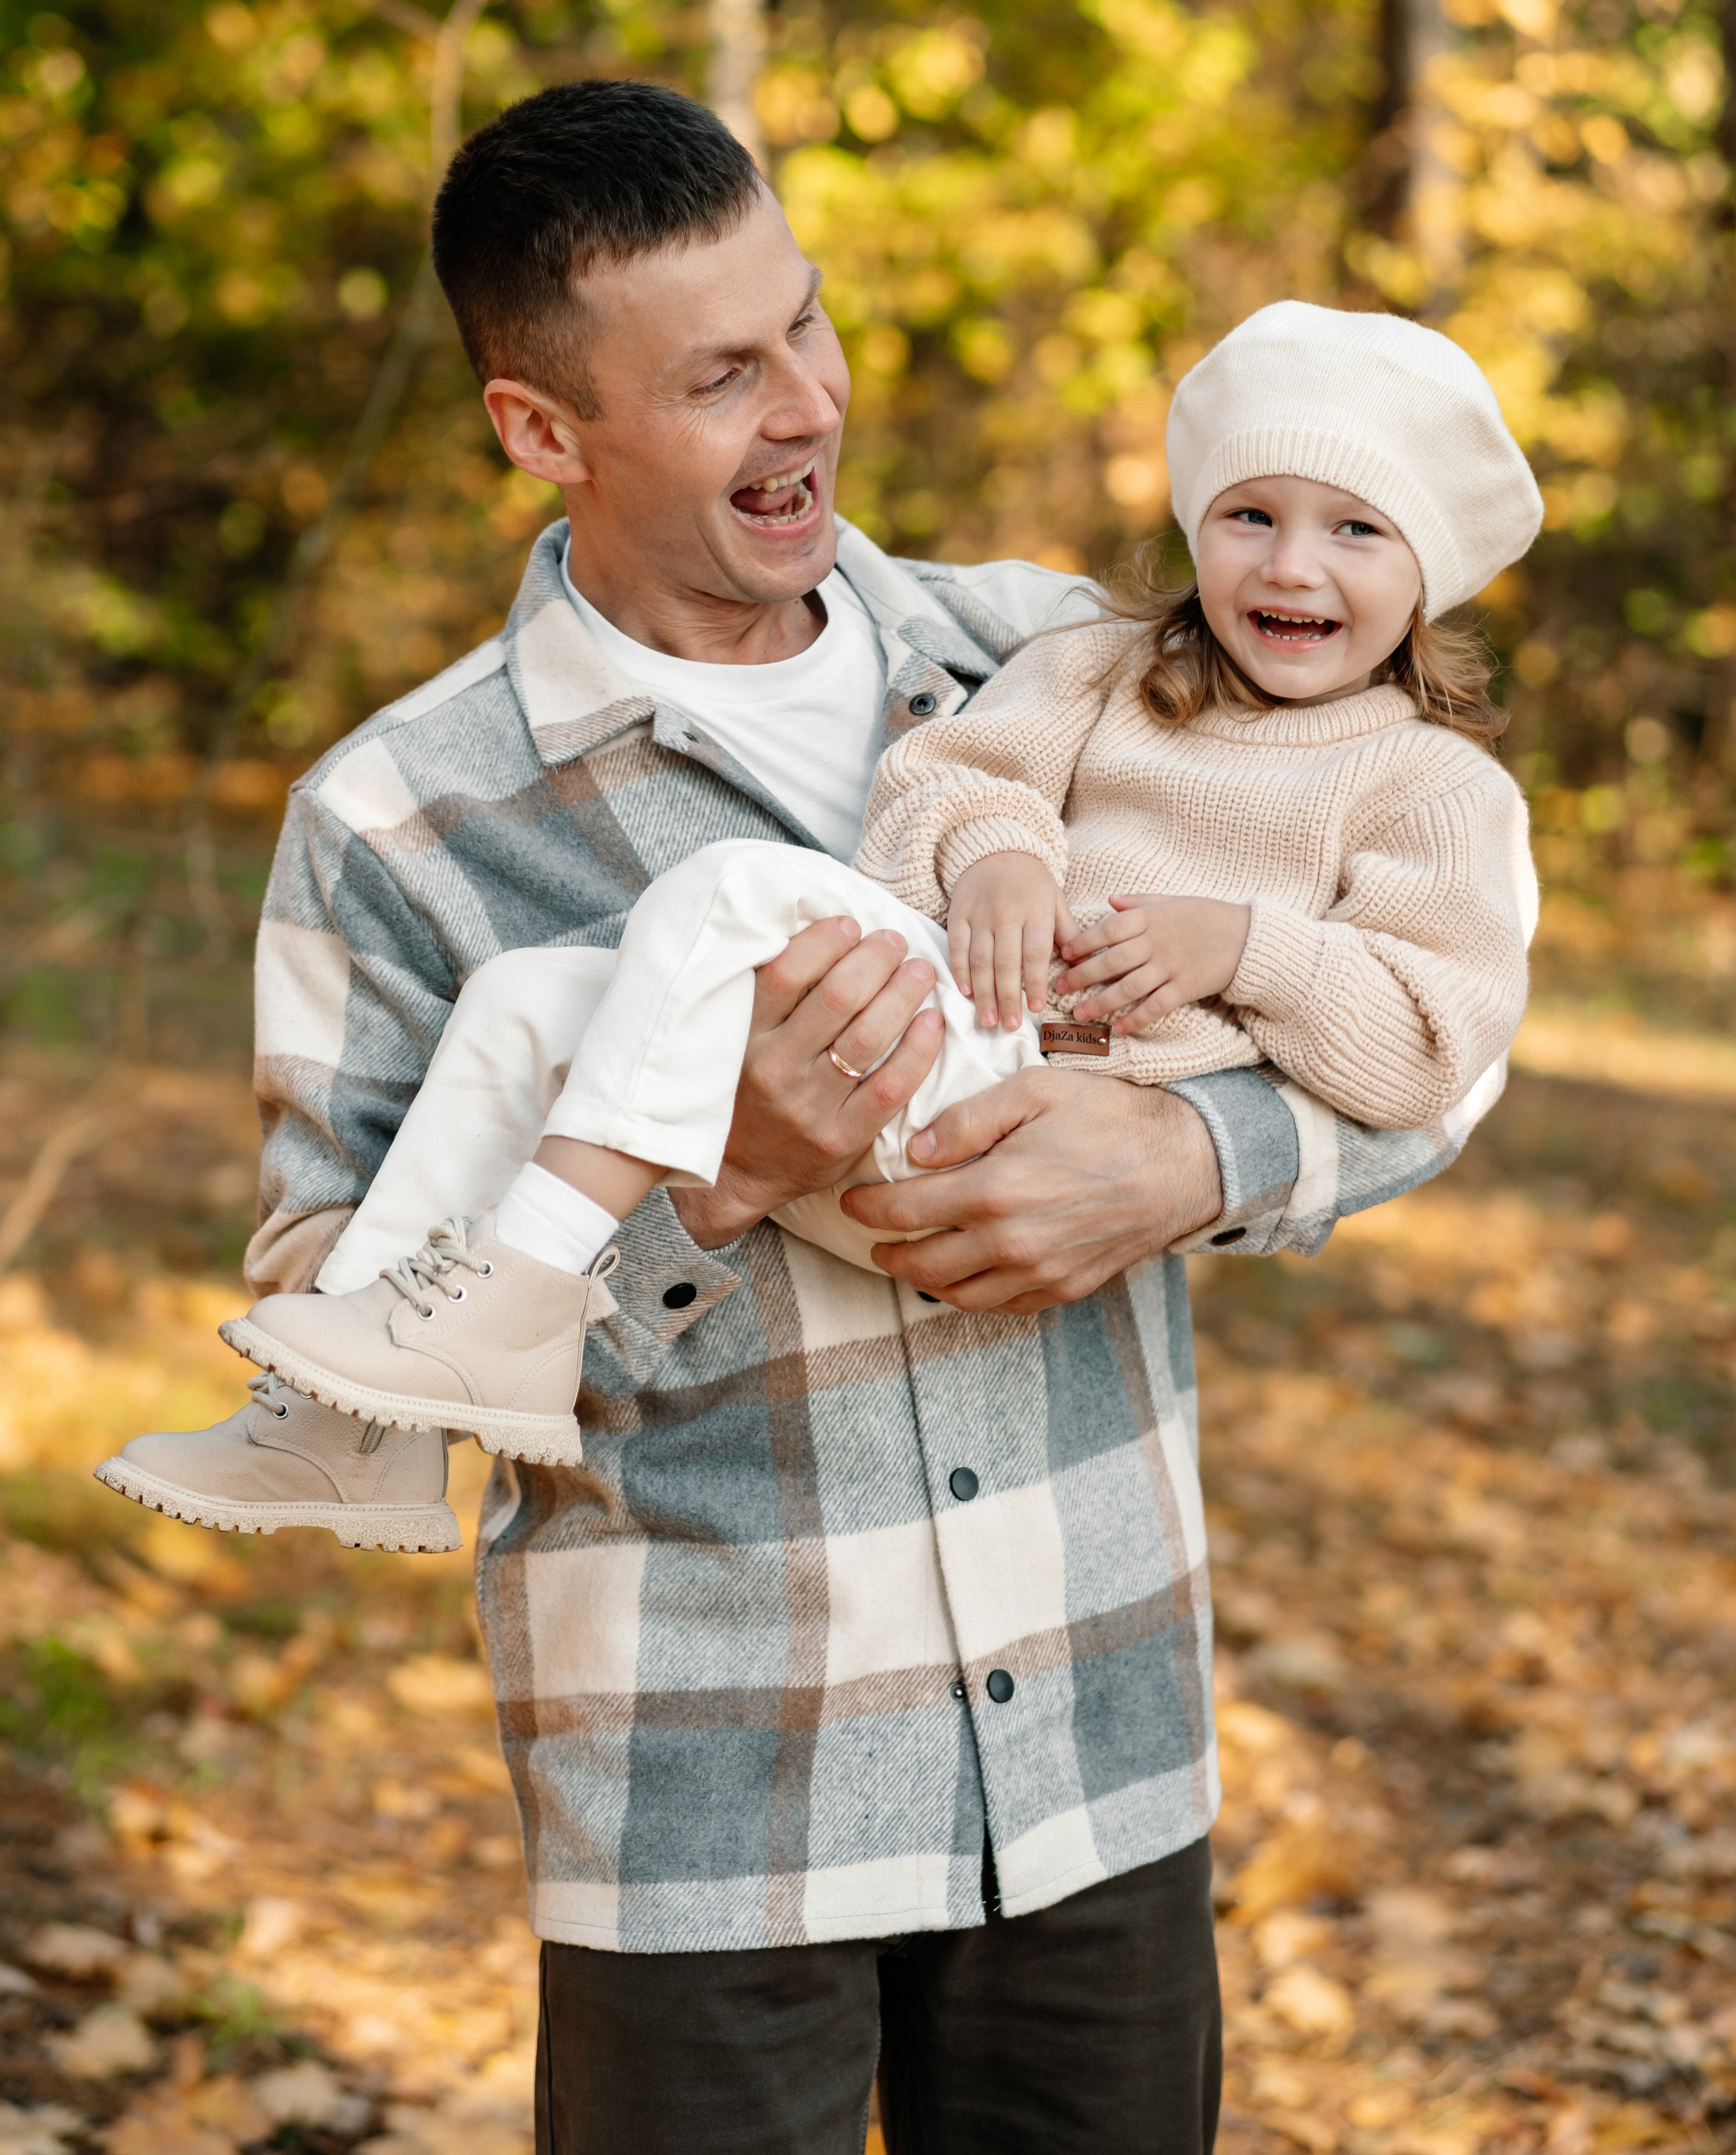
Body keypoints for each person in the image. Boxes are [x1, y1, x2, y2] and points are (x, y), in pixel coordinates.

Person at [98, 82, 1503, 2155]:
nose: (807, 408)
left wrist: (1189, 1153)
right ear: (540, 428)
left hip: (1101, 1742)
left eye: (811, 327)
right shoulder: (399, 821)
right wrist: (713, 1189)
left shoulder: (1066, 663)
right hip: (704, 1792)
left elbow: (1432, 1021)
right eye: (719, 373)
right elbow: (328, 1318)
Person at [206, 301, 1540, 1468]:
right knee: (530, 995)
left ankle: (514, 1291)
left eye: (1356, 528)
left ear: (1427, 579)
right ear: (545, 429)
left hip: (1027, 1113)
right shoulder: (1095, 667)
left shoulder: (1432, 788)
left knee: (730, 892)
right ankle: (335, 1437)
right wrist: (1001, 854)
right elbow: (950, 783)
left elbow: (1444, 1036)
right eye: (1252, 515)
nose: (1292, 564)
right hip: (939, 1051)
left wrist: (1233, 1008)